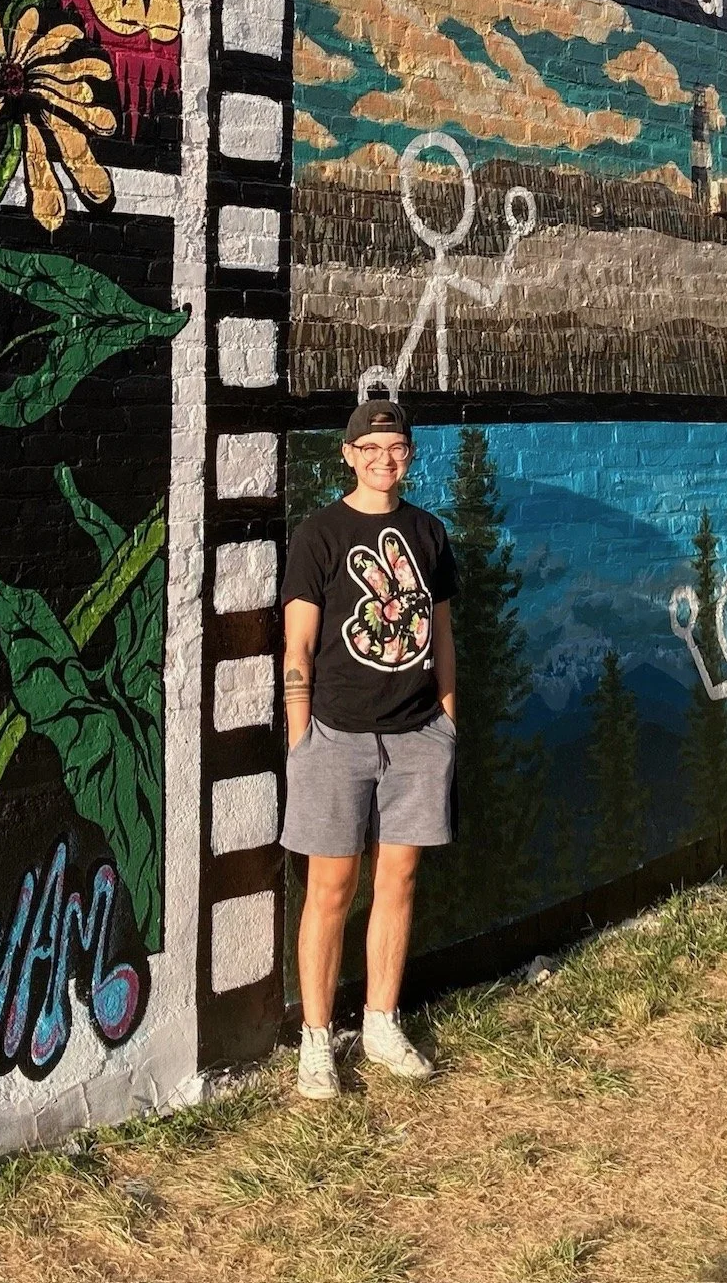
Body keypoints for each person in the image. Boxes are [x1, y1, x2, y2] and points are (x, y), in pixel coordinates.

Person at [281, 398, 459, 1099]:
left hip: (418, 737)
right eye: (373, 449)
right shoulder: (319, 535)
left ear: (409, 456)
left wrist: (447, 724)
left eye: (398, 449)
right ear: (349, 455)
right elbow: (297, 644)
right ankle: (318, 1040)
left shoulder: (428, 533)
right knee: (330, 889)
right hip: (336, 738)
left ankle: (381, 1023)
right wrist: (302, 740)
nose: (386, 460)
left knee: (399, 880)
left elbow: (442, 635)